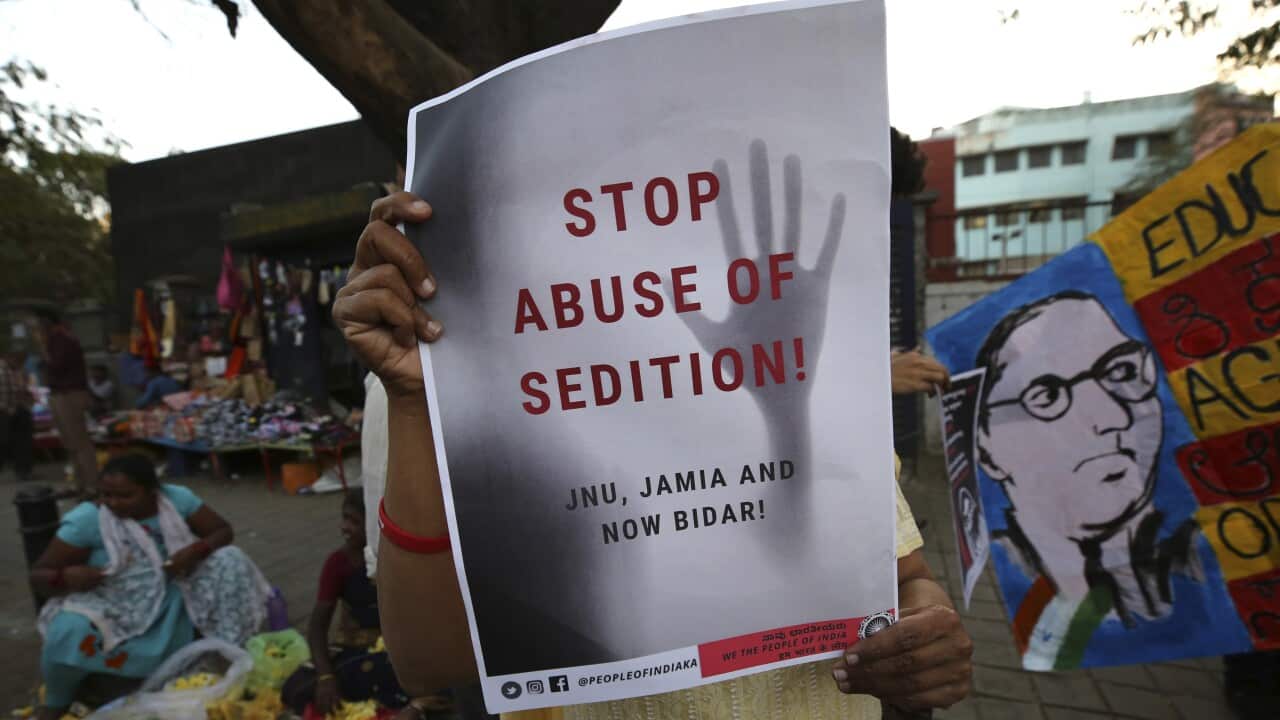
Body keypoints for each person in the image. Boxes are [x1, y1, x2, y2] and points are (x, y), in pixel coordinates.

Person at [332, 192, 973, 719]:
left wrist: (926, 636)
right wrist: (415, 400)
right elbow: (428, 664)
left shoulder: (798, 352)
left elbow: (907, 579)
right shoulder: (441, 375)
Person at [974, 291, 1198, 668]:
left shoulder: (1202, 560)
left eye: (1122, 373)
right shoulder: (1014, 571)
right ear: (985, 448)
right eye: (1045, 396)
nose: (1113, 416)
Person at [29, 453, 272, 720]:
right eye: (105, 495)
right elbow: (39, 574)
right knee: (68, 630)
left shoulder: (176, 499)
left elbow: (222, 531)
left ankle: (229, 654)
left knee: (230, 559)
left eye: (124, 495)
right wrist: (64, 577)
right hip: (111, 599)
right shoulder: (87, 519)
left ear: (152, 491)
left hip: (173, 591)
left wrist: (195, 550)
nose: (113, 503)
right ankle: (56, 701)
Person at [282, 490, 442, 719]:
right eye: (344, 517)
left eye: (355, 521)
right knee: (298, 687)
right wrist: (326, 677)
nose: (344, 527)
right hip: (354, 652)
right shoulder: (338, 564)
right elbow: (317, 627)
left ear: (375, 526)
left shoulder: (401, 560)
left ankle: (415, 706)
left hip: (399, 652)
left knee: (439, 681)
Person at [34, 310, 98, 496]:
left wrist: (43, 348)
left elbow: (56, 365)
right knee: (68, 442)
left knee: (79, 441)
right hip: (58, 393)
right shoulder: (54, 340)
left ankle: (92, 485)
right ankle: (78, 483)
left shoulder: (63, 339)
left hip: (70, 394)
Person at [1, 351, 34, 482]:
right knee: (4, 441)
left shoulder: (19, 370)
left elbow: (23, 388)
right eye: (18, 359)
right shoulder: (2, 370)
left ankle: (23, 471)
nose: (20, 363)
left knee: (24, 441)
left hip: (20, 408)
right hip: (4, 410)